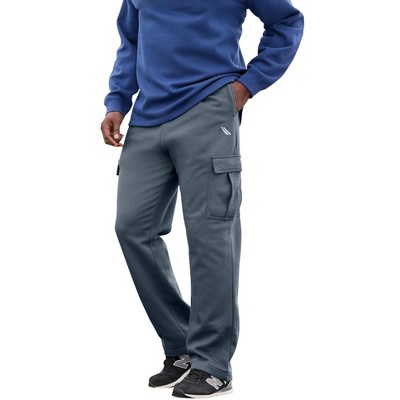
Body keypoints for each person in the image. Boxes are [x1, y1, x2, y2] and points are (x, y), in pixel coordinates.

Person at [101, 0, 303, 397]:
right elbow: (131, 40)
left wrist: (247, 85)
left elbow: (287, 21)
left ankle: (212, 364)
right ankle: (181, 343)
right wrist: (118, 100)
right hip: (147, 119)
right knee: (132, 228)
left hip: (208, 108)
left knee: (210, 235)